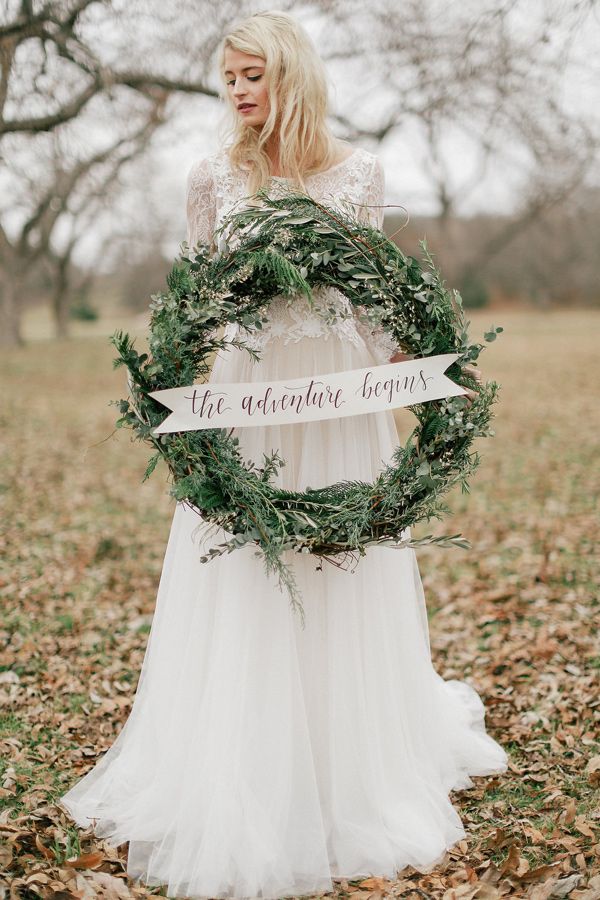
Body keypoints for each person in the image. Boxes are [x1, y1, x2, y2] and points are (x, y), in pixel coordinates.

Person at [58, 10, 508, 899]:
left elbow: (377, 300)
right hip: (249, 397)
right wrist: (179, 405)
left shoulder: (358, 175)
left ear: (289, 75)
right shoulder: (210, 179)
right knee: (251, 574)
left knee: (339, 567)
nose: (235, 92)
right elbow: (196, 300)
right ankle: (245, 762)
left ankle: (349, 763)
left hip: (339, 402)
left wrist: (414, 382)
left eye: (250, 75)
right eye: (227, 78)